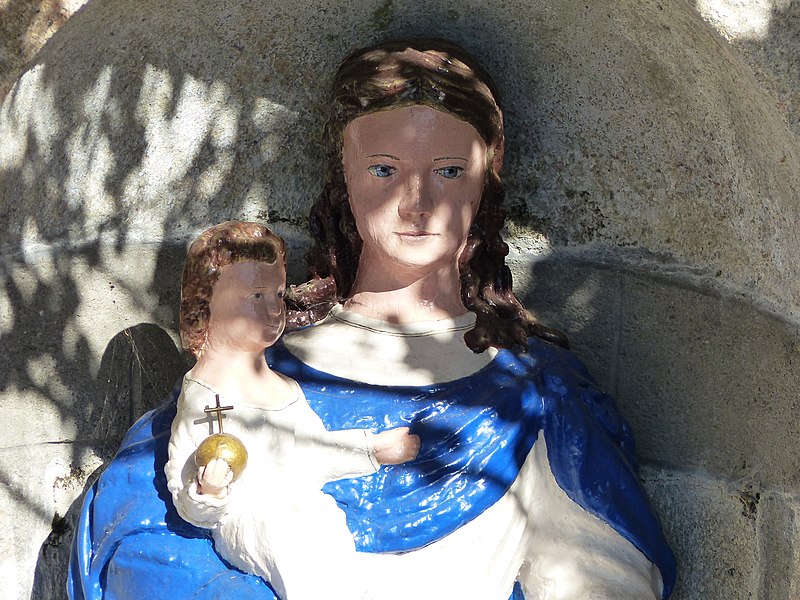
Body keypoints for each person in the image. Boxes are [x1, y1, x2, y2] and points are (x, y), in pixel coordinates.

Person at [68, 39, 677, 600]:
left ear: (485, 184)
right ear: (346, 183)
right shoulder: (253, 366)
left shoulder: (536, 396)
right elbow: (147, 538)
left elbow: (594, 570)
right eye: (384, 171)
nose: (416, 203)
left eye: (448, 171)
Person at [165, 221, 419, 600]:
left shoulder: (284, 387)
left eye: (279, 294)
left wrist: (373, 449)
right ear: (208, 302)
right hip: (255, 521)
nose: (273, 308)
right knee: (289, 540)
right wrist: (208, 489)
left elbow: (311, 452)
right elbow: (188, 497)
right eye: (255, 296)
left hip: (306, 509)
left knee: (330, 533)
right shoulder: (205, 397)